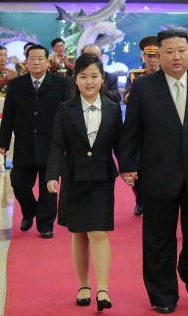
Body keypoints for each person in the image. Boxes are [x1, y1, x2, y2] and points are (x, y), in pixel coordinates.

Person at [119, 29, 188, 314]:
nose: (176, 56)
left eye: (181, 50)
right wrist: (127, 166)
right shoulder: (143, 87)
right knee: (158, 238)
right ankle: (163, 295)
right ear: (158, 54)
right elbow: (132, 130)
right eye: (168, 51)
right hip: (157, 174)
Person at [46, 53, 123, 312]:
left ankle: (103, 289)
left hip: (102, 176)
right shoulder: (65, 109)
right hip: (74, 176)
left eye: (94, 76)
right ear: (75, 80)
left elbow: (120, 144)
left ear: (102, 79)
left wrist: (130, 170)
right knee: (79, 232)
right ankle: (83, 285)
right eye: (83, 77)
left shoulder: (113, 108)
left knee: (99, 232)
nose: (89, 82)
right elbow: (57, 144)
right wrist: (51, 175)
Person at [0, 44, 70, 239]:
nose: (36, 62)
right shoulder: (16, 85)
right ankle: (30, 212)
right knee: (18, 182)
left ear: (48, 61)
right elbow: (8, 116)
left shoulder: (62, 84)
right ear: (26, 61)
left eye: (40, 58)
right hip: (25, 144)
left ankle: (45, 224)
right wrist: (3, 142)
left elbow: (68, 115)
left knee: (49, 187)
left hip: (52, 145)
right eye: (32, 58)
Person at [123, 35, 161, 216]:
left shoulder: (167, 76)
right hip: (140, 128)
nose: (152, 60)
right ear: (143, 57)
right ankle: (139, 198)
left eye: (155, 56)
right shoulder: (135, 76)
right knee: (137, 169)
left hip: (160, 129)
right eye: (149, 56)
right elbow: (126, 98)